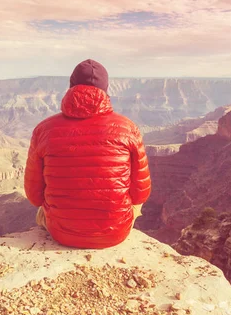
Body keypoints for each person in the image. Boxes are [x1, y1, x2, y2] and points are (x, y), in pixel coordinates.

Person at [24, 59, 151, 249]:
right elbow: (141, 194)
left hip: (62, 233)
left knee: (43, 209)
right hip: (115, 233)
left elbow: (34, 196)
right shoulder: (128, 128)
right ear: (106, 90)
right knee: (134, 201)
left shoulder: (43, 129)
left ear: (71, 86)